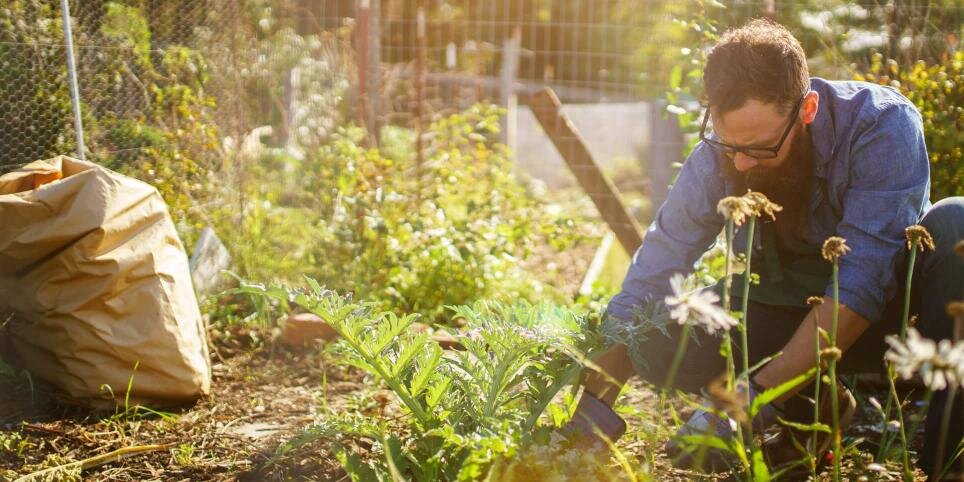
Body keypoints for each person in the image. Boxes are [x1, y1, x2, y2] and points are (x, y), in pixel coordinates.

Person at [559, 19, 964, 480]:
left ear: (807, 109)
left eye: (761, 148)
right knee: (652, 329)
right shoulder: (724, 149)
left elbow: (862, 283)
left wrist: (747, 401)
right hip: (781, 313)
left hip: (892, 326)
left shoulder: (880, 125)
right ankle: (814, 409)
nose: (741, 163)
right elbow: (658, 263)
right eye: (730, 145)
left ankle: (948, 462)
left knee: (957, 222)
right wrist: (592, 409)